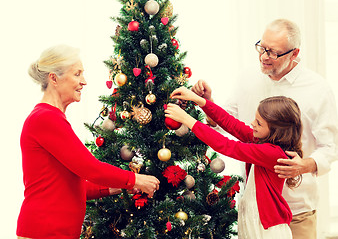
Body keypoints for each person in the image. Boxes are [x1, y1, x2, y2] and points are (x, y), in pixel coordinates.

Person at [191, 19, 338, 239]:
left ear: (294, 53)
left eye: (273, 52)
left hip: (297, 211)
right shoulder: (247, 78)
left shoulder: (317, 89)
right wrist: (208, 105)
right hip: (255, 211)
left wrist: (303, 166)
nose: (263, 57)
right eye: (262, 48)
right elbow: (228, 123)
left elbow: (330, 147)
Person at [16, 44, 160, 239]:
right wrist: (136, 180)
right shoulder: (45, 118)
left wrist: (118, 186)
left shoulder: (50, 117)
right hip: (45, 232)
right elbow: (91, 168)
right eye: (77, 74)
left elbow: (68, 187)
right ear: (54, 78)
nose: (84, 81)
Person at [165, 87, 303, 238]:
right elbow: (231, 124)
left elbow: (226, 146)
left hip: (266, 231)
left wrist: (187, 120)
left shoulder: (272, 153)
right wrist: (200, 101)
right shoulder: (262, 142)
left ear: (276, 131)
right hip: (254, 224)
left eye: (259, 123)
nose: (252, 124)